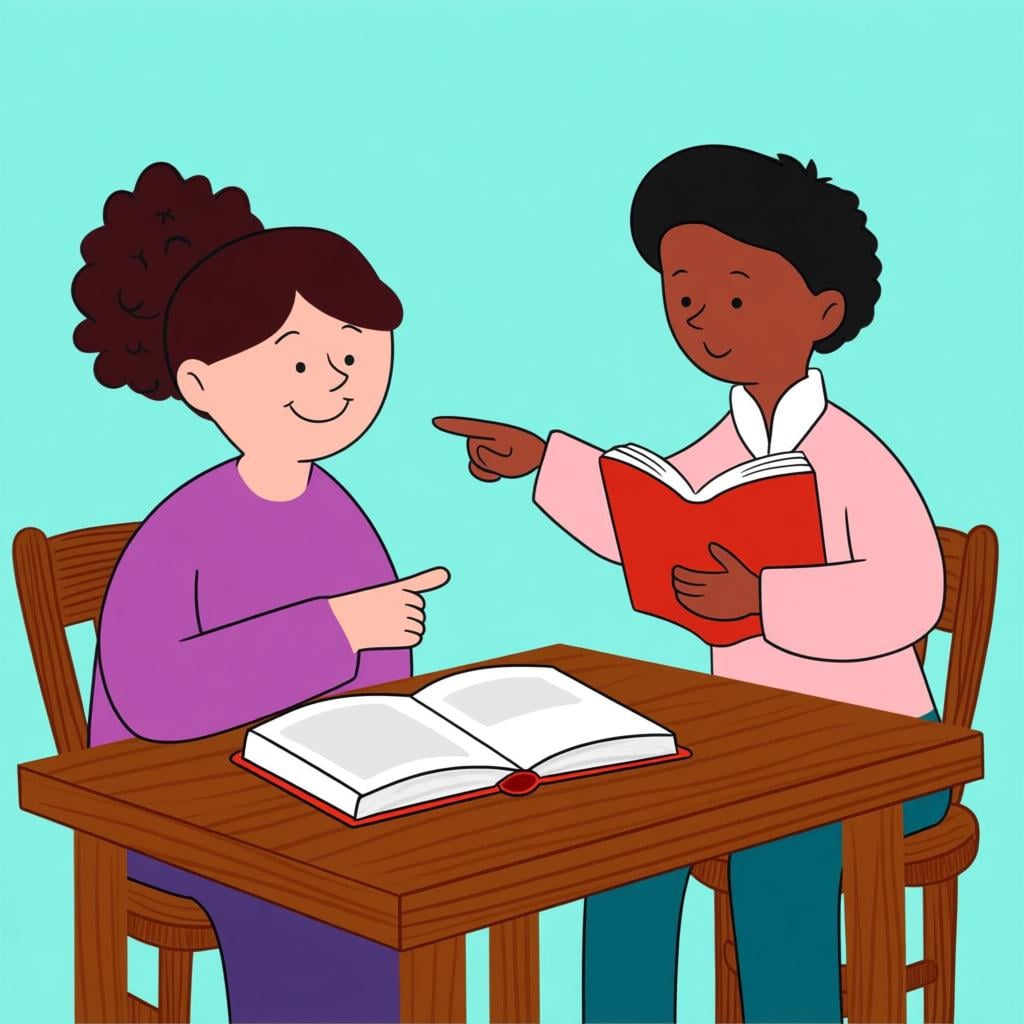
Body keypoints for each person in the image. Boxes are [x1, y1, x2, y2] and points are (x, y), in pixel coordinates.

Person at [434, 144, 951, 1024]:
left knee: (776, 854)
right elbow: (646, 520)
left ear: (822, 310)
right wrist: (541, 462)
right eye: (684, 299)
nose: (706, 322)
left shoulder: (855, 458)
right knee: (626, 838)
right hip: (755, 745)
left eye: (736, 297)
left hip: (882, 750)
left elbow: (911, 595)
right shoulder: (727, 446)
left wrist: (766, 601)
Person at [75, 161, 449, 1024]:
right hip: (174, 812)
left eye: (351, 352)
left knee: (424, 876)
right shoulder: (179, 532)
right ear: (202, 385)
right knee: (316, 900)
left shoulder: (340, 514)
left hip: (313, 799)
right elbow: (155, 697)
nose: (336, 380)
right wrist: (337, 629)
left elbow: (380, 681)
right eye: (301, 361)